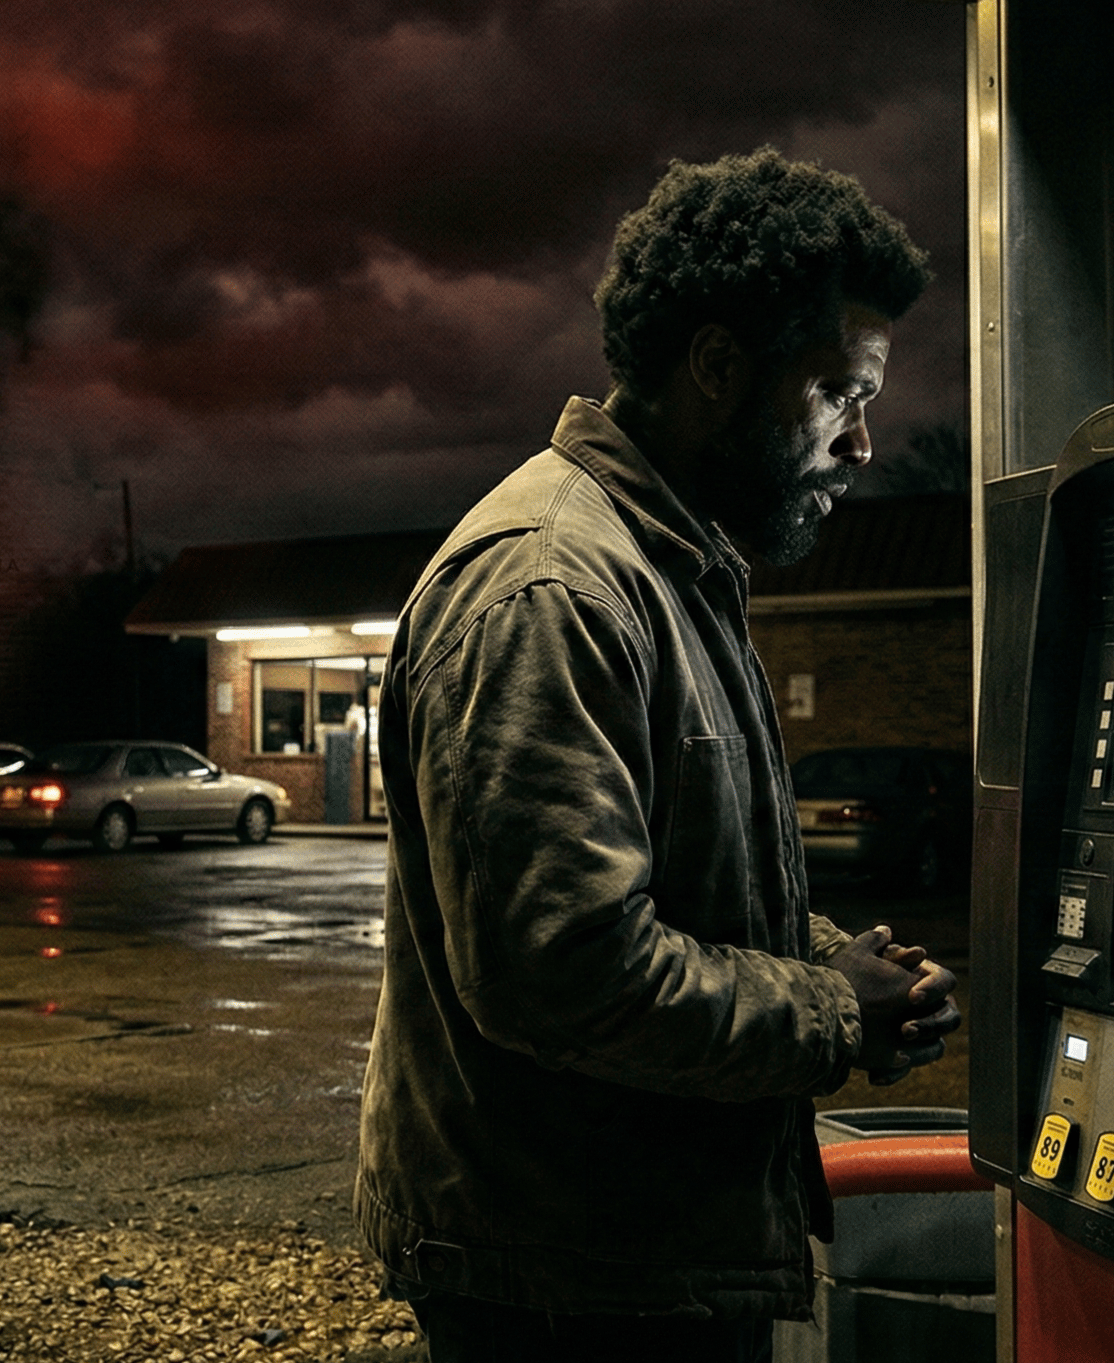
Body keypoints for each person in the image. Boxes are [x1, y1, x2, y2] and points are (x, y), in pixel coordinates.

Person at [354, 147, 963, 1362]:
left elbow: (669, 887)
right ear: (720, 369)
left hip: (622, 1254)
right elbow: (562, 972)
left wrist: (826, 958)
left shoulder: (669, 568)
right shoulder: (552, 588)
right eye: (841, 394)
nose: (861, 447)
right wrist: (836, 1009)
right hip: (569, 1279)